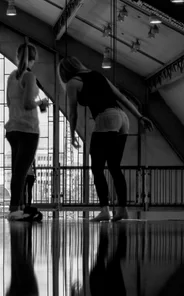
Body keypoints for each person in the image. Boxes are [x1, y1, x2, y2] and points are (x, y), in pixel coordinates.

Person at [58, 56, 154, 222]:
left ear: (64, 72)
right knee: (114, 167)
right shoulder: (98, 75)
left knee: (97, 168)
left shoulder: (72, 83)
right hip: (123, 118)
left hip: (106, 117)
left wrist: (72, 134)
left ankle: (104, 210)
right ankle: (122, 209)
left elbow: (73, 113)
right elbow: (121, 97)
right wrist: (139, 116)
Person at [5, 43, 47, 222]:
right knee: (22, 172)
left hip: (13, 128)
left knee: (17, 171)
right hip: (28, 129)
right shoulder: (29, 76)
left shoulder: (11, 77)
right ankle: (14, 209)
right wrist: (41, 103)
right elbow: (28, 103)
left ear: (17, 56)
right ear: (34, 59)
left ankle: (18, 208)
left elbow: (9, 103)